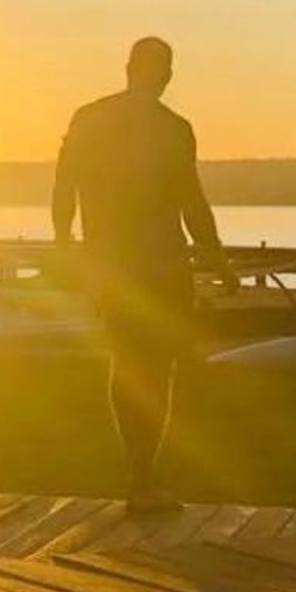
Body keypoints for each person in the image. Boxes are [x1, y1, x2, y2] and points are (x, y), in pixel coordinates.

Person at [52, 36, 240, 515]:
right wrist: (216, 259)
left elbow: (64, 190)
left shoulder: (91, 118)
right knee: (155, 369)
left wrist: (66, 246)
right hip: (156, 262)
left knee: (131, 363)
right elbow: (191, 201)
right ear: (165, 74)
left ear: (130, 67)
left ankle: (141, 476)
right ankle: (142, 478)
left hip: (119, 262)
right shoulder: (172, 129)